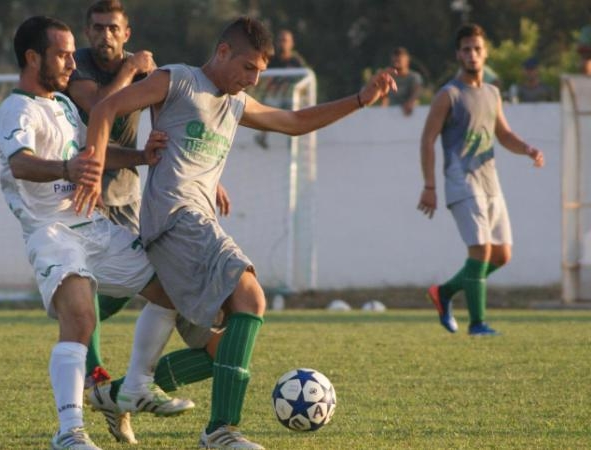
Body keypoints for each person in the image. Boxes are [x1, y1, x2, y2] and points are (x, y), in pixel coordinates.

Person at [77, 17, 396, 449]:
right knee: (251, 296)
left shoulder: (237, 105)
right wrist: (93, 172)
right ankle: (221, 431)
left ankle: (117, 395)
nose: (254, 79)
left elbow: (296, 120)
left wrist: (359, 100)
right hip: (177, 219)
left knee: (220, 351)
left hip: (194, 223)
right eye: (248, 68)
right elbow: (104, 109)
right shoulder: (179, 81)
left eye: (260, 71)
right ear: (223, 52)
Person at [0, 16, 192, 450]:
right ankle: (69, 432)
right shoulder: (16, 108)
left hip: (93, 224)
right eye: (62, 55)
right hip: (52, 232)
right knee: (81, 318)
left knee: (173, 287)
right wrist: (68, 169)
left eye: (69, 54)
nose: (71, 63)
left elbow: (93, 153)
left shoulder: (62, 105)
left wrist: (142, 155)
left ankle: (136, 384)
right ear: (32, 58)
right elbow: (21, 164)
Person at [66, 0, 232, 415]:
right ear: (87, 33)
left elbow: (173, 119)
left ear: (127, 33)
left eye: (112, 29)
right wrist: (130, 69)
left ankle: (111, 381)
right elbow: (100, 106)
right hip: (85, 194)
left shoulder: (149, 73)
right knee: (104, 285)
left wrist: (210, 178)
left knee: (140, 285)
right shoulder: (77, 67)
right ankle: (99, 375)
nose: (104, 35)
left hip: (128, 193)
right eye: (98, 28)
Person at [418, 23, 545, 337]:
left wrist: (527, 148)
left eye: (477, 49)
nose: (472, 55)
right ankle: (477, 324)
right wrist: (429, 186)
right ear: (458, 54)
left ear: (485, 53)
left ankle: (445, 292)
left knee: (502, 255)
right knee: (482, 251)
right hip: (461, 181)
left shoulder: (492, 92)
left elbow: (503, 134)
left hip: (490, 182)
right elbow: (427, 140)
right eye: (466, 49)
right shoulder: (448, 95)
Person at [382, 47, 423, 116]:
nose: (396, 61)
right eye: (395, 59)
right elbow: (384, 97)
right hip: (391, 114)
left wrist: (411, 102)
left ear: (407, 60)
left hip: (408, 114)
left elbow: (417, 92)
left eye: (399, 59)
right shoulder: (389, 77)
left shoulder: (413, 77)